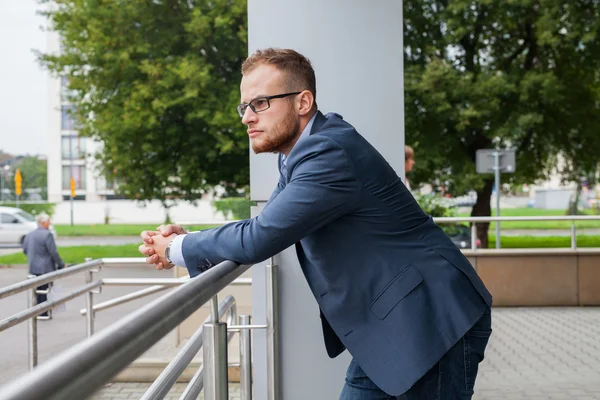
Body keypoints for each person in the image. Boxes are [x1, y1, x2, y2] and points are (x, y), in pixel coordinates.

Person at [139, 48, 492, 399]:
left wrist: (175, 248)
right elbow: (265, 224)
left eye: (260, 103)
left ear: (302, 102)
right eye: (244, 107)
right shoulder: (302, 153)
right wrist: (191, 239)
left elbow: (260, 238)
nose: (247, 117)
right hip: (400, 324)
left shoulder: (327, 152)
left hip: (432, 320)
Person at [22, 213, 65, 320]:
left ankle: (38, 311)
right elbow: (53, 252)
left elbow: (25, 250)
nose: (50, 223)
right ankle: (43, 312)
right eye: (48, 221)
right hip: (46, 268)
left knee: (37, 290)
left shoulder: (30, 235)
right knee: (45, 290)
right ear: (43, 222)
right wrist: (60, 264)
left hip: (33, 267)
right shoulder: (47, 234)